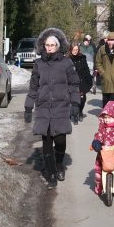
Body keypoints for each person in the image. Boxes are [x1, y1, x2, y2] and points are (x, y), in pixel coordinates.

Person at [25, 27, 81, 190]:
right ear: (43, 46)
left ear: (58, 46)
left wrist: (75, 104)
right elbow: (33, 87)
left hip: (61, 107)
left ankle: (59, 164)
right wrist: (28, 107)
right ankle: (51, 174)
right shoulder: (38, 64)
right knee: (47, 141)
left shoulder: (66, 63)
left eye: (52, 45)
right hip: (43, 107)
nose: (49, 48)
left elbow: (74, 85)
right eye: (47, 45)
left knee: (60, 140)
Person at [69, 41, 94, 120]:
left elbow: (86, 69)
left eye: (76, 49)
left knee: (82, 99)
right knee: (73, 100)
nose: (75, 51)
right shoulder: (67, 59)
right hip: (71, 82)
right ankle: (75, 114)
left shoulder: (82, 57)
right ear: (70, 50)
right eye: (73, 50)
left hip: (82, 81)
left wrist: (89, 79)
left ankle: (80, 111)